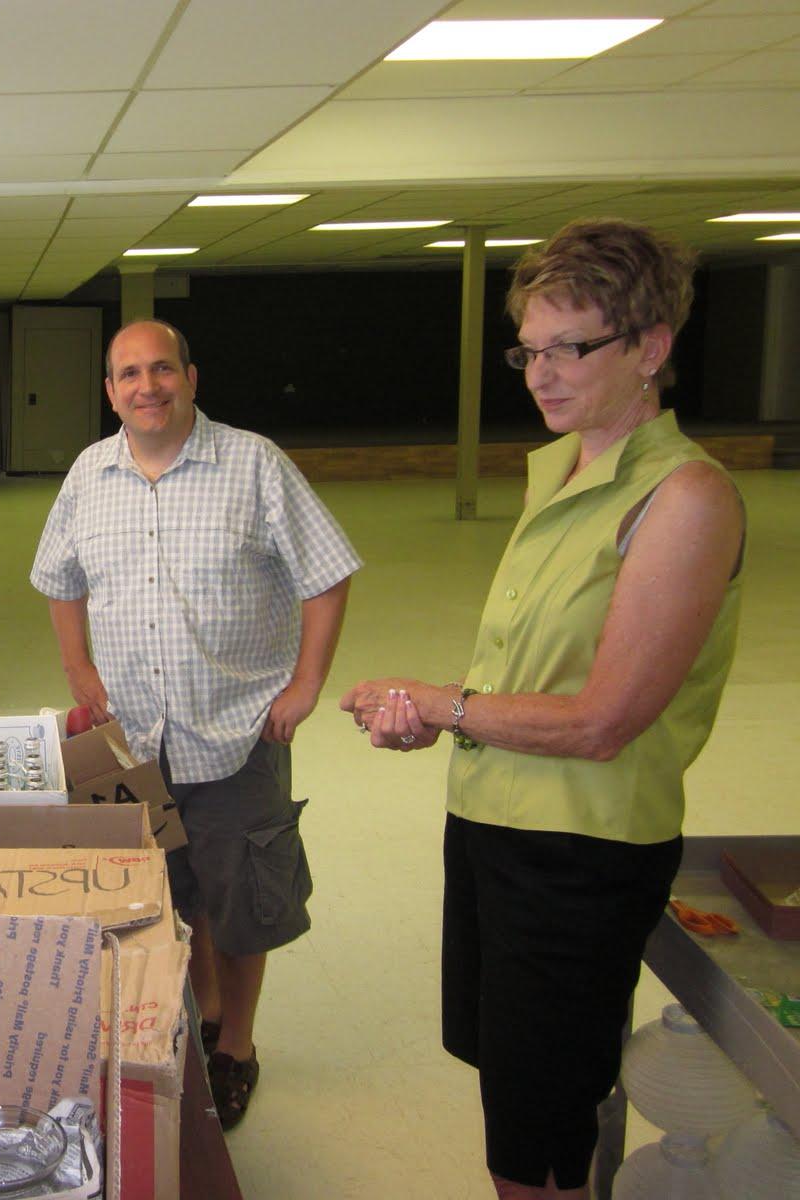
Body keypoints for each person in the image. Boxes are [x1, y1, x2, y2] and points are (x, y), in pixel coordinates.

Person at [341, 219, 744, 1200]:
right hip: (492, 825)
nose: (540, 374)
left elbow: (605, 720)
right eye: (529, 348)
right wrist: (442, 717)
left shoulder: (683, 498)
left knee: (542, 1142)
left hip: (580, 850)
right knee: (518, 1112)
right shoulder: (557, 472)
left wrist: (448, 704)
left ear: (650, 349)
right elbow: (532, 675)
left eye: (572, 348)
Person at [31, 319, 360, 1130]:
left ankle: (236, 1046)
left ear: (191, 376)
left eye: (162, 369)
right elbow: (58, 576)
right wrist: (79, 670)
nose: (147, 387)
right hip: (126, 739)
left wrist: (307, 683)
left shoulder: (254, 465)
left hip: (236, 728)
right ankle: (198, 1009)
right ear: (110, 391)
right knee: (159, 894)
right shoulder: (89, 473)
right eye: (128, 375)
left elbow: (327, 574)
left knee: (241, 898)